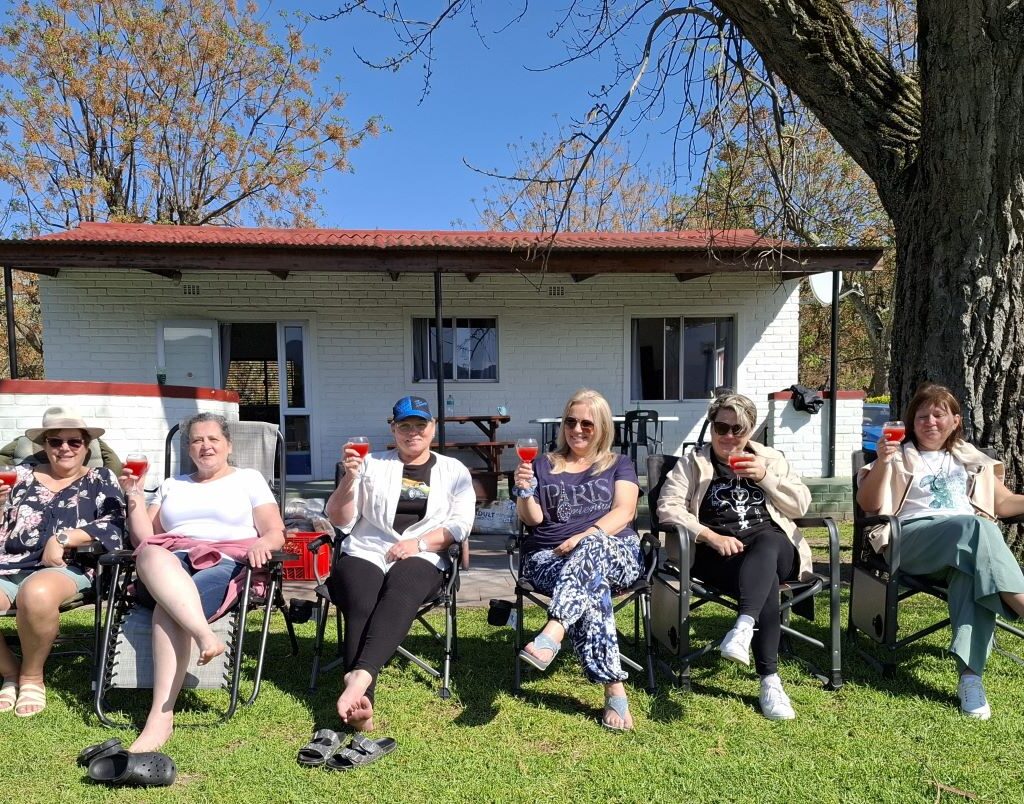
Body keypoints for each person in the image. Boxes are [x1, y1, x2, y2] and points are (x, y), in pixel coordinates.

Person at [856, 382, 1024, 719]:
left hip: (965, 547)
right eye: (921, 416)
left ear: (955, 421)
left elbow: (1003, 504)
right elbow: (870, 505)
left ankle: (970, 678)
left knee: (970, 572)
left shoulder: (971, 459)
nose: (929, 421)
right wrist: (883, 463)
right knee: (976, 527)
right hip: (910, 541)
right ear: (911, 421)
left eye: (938, 414)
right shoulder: (897, 455)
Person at [119, 412, 286, 751]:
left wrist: (261, 544)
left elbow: (275, 532)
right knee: (151, 554)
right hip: (169, 562)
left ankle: (160, 718)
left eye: (213, 439)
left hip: (224, 562)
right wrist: (134, 494)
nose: (205, 446)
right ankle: (204, 635)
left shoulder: (248, 479)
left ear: (228, 445)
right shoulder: (172, 485)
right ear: (189, 449)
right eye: (197, 440)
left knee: (171, 608)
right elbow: (144, 538)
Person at [656, 392, 813, 720]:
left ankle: (743, 626)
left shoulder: (770, 459)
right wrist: (710, 535)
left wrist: (764, 477)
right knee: (765, 578)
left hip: (776, 548)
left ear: (751, 429)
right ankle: (769, 679)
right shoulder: (693, 463)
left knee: (768, 542)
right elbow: (667, 506)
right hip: (720, 556)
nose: (728, 436)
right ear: (711, 427)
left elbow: (800, 505)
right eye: (720, 427)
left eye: (737, 429)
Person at [325, 395, 475, 732]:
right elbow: (340, 520)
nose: (412, 432)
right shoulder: (370, 464)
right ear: (392, 429)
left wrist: (419, 543)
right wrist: (349, 480)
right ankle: (363, 705)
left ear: (432, 428)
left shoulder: (454, 471)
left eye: (420, 425)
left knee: (402, 588)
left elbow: (460, 525)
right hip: (367, 548)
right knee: (362, 597)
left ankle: (358, 679)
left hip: (425, 553)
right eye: (404, 425)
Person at [514, 388, 643, 731]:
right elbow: (533, 520)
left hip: (617, 553)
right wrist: (524, 491)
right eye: (571, 421)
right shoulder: (542, 463)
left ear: (602, 427)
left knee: (593, 547)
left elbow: (625, 511)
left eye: (587, 422)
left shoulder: (620, 464)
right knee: (592, 584)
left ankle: (553, 631)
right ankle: (614, 687)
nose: (578, 429)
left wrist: (585, 537)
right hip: (549, 559)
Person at [0, 407, 125, 717]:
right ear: (45, 445)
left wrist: (63, 538)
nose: (65, 449)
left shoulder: (100, 477)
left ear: (86, 446)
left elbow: (115, 523)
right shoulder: (21, 477)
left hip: (68, 567)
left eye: (74, 442)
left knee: (36, 594)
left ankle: (31, 676)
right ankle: (10, 671)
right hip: (10, 562)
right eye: (56, 442)